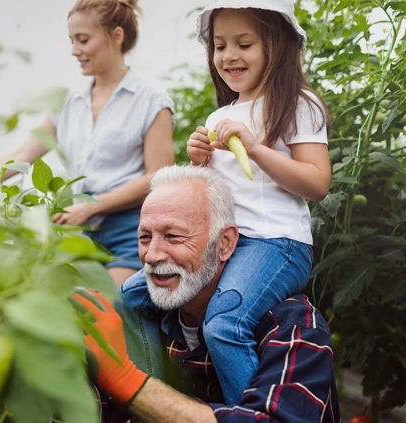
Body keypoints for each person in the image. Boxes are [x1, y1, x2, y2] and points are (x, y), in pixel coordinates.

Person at [118, 0, 331, 404]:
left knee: (224, 324)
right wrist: (200, 161)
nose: (229, 55)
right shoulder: (222, 117)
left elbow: (317, 184)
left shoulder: (299, 104)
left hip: (276, 244)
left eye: (244, 44)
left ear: (277, 44)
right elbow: (216, 196)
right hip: (225, 243)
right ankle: (152, 395)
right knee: (131, 296)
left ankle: (251, 412)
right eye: (219, 46)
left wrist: (256, 148)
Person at [74, 164, 341, 422]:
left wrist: (127, 381)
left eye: (174, 236)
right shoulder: (139, 319)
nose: (152, 255)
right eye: (145, 238)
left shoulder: (293, 329)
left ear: (224, 244)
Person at [0, 0, 174, 286]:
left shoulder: (151, 102)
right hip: (80, 228)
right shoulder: (68, 103)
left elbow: (159, 177)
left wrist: (94, 205)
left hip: (133, 230)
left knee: (111, 306)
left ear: (116, 36)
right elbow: (24, 154)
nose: (75, 50)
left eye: (83, 40)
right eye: (72, 40)